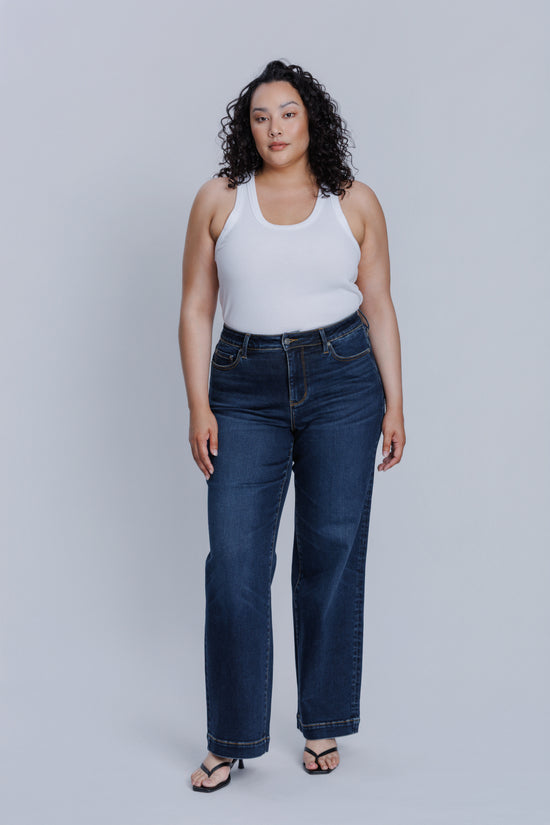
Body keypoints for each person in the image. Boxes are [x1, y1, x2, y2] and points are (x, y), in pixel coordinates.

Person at [178, 59, 405, 792]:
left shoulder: (354, 201)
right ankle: (231, 736)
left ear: (313, 121)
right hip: (243, 389)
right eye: (260, 116)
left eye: (289, 114)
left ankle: (322, 720)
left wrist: (396, 401)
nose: (275, 128)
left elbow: (378, 304)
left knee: (330, 551)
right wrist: (197, 403)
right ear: (247, 128)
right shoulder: (220, 200)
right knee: (236, 563)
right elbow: (194, 308)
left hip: (344, 380)